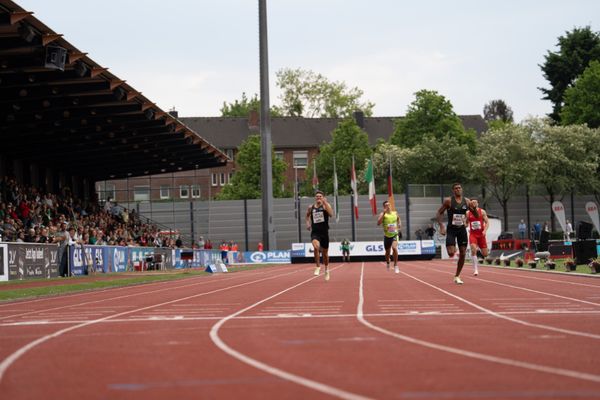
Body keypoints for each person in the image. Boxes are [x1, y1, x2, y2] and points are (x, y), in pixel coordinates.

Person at [436, 182, 470, 284]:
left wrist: (467, 221)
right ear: (453, 190)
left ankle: (457, 275)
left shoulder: (467, 201)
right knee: (451, 253)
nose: (458, 189)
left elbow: (473, 213)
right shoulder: (448, 201)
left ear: (462, 189)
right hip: (451, 229)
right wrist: (441, 225)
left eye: (459, 188)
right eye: (456, 188)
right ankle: (453, 245)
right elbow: (439, 212)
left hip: (462, 230)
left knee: (463, 253)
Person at [305, 190, 333, 281]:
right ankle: (317, 266)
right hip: (315, 232)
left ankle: (326, 269)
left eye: (320, 196)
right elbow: (307, 216)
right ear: (315, 198)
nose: (318, 198)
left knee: (325, 254)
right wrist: (308, 224)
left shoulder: (326, 206)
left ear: (323, 197)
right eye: (317, 196)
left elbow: (331, 214)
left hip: (324, 233)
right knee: (316, 246)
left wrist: (325, 203)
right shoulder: (311, 207)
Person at [466, 198, 489, 276]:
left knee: (485, 254)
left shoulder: (482, 212)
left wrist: (485, 231)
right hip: (473, 235)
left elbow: (487, 223)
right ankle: (475, 269)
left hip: (481, 235)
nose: (474, 203)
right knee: (473, 249)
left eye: (475, 202)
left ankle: (479, 248)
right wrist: (464, 224)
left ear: (478, 203)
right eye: (472, 202)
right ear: (470, 204)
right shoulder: (468, 213)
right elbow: (466, 223)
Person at [377, 200, 402, 273]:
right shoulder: (383, 214)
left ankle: (396, 265)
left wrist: (399, 223)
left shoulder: (395, 213)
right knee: (387, 253)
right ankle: (388, 262)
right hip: (387, 236)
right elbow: (378, 223)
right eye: (386, 205)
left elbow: (398, 219)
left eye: (389, 205)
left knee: (394, 248)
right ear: (384, 207)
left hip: (394, 234)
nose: (388, 206)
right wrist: (384, 213)